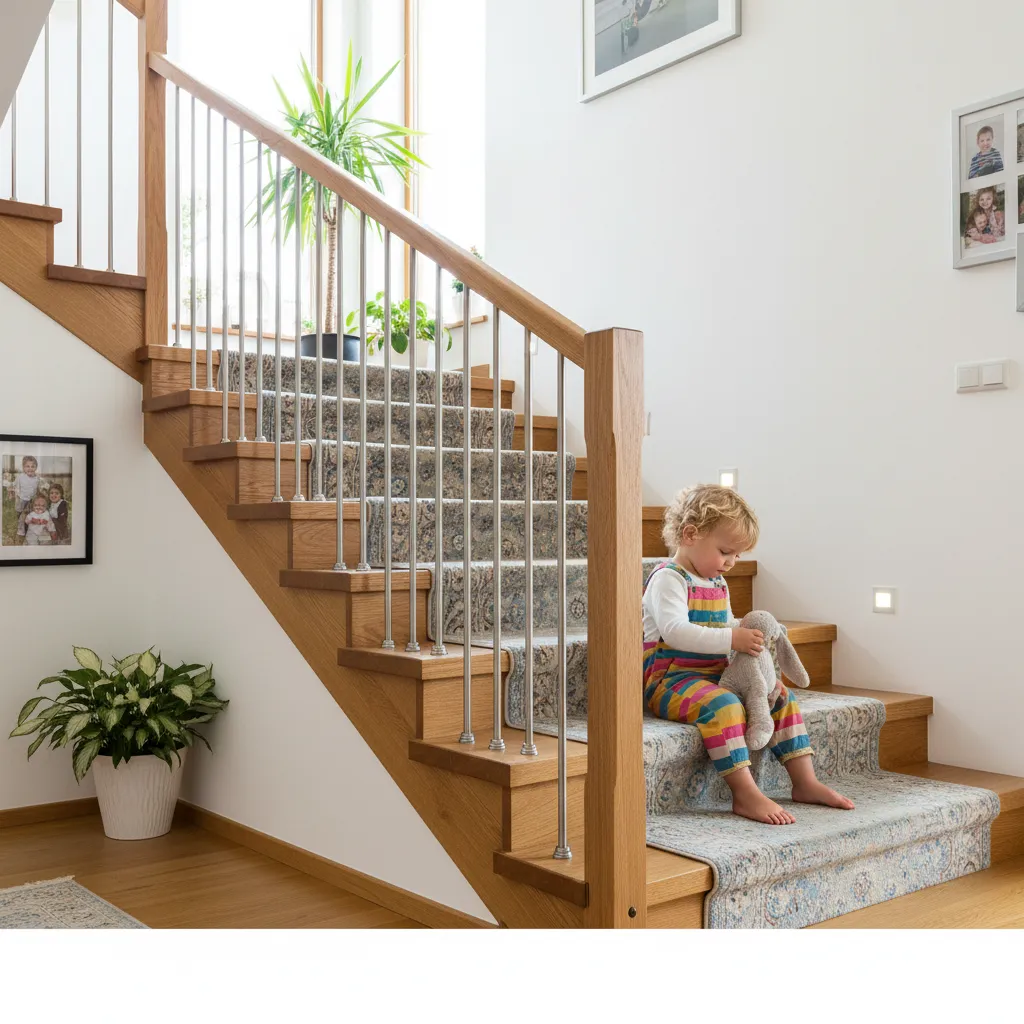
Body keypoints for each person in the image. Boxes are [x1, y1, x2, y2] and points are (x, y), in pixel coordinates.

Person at [642, 484, 854, 825]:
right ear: (690, 534)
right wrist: (732, 638)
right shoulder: (669, 579)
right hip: (671, 681)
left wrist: (750, 632)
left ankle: (805, 781)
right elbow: (675, 631)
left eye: (737, 555)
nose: (731, 563)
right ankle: (744, 792)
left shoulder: (716, 582)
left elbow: (724, 624)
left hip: (715, 675)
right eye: (726, 551)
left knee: (779, 695)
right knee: (724, 706)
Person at [7, 455, 44, 539]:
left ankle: (29, 529)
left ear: (36, 467)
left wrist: (40, 494)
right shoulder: (20, 477)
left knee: (30, 515)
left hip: (31, 500)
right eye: (27, 466)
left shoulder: (37, 478)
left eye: (32, 466)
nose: (30, 468)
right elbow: (14, 484)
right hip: (21, 499)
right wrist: (10, 490)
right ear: (23, 468)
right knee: (20, 514)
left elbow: (38, 488)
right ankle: (21, 529)